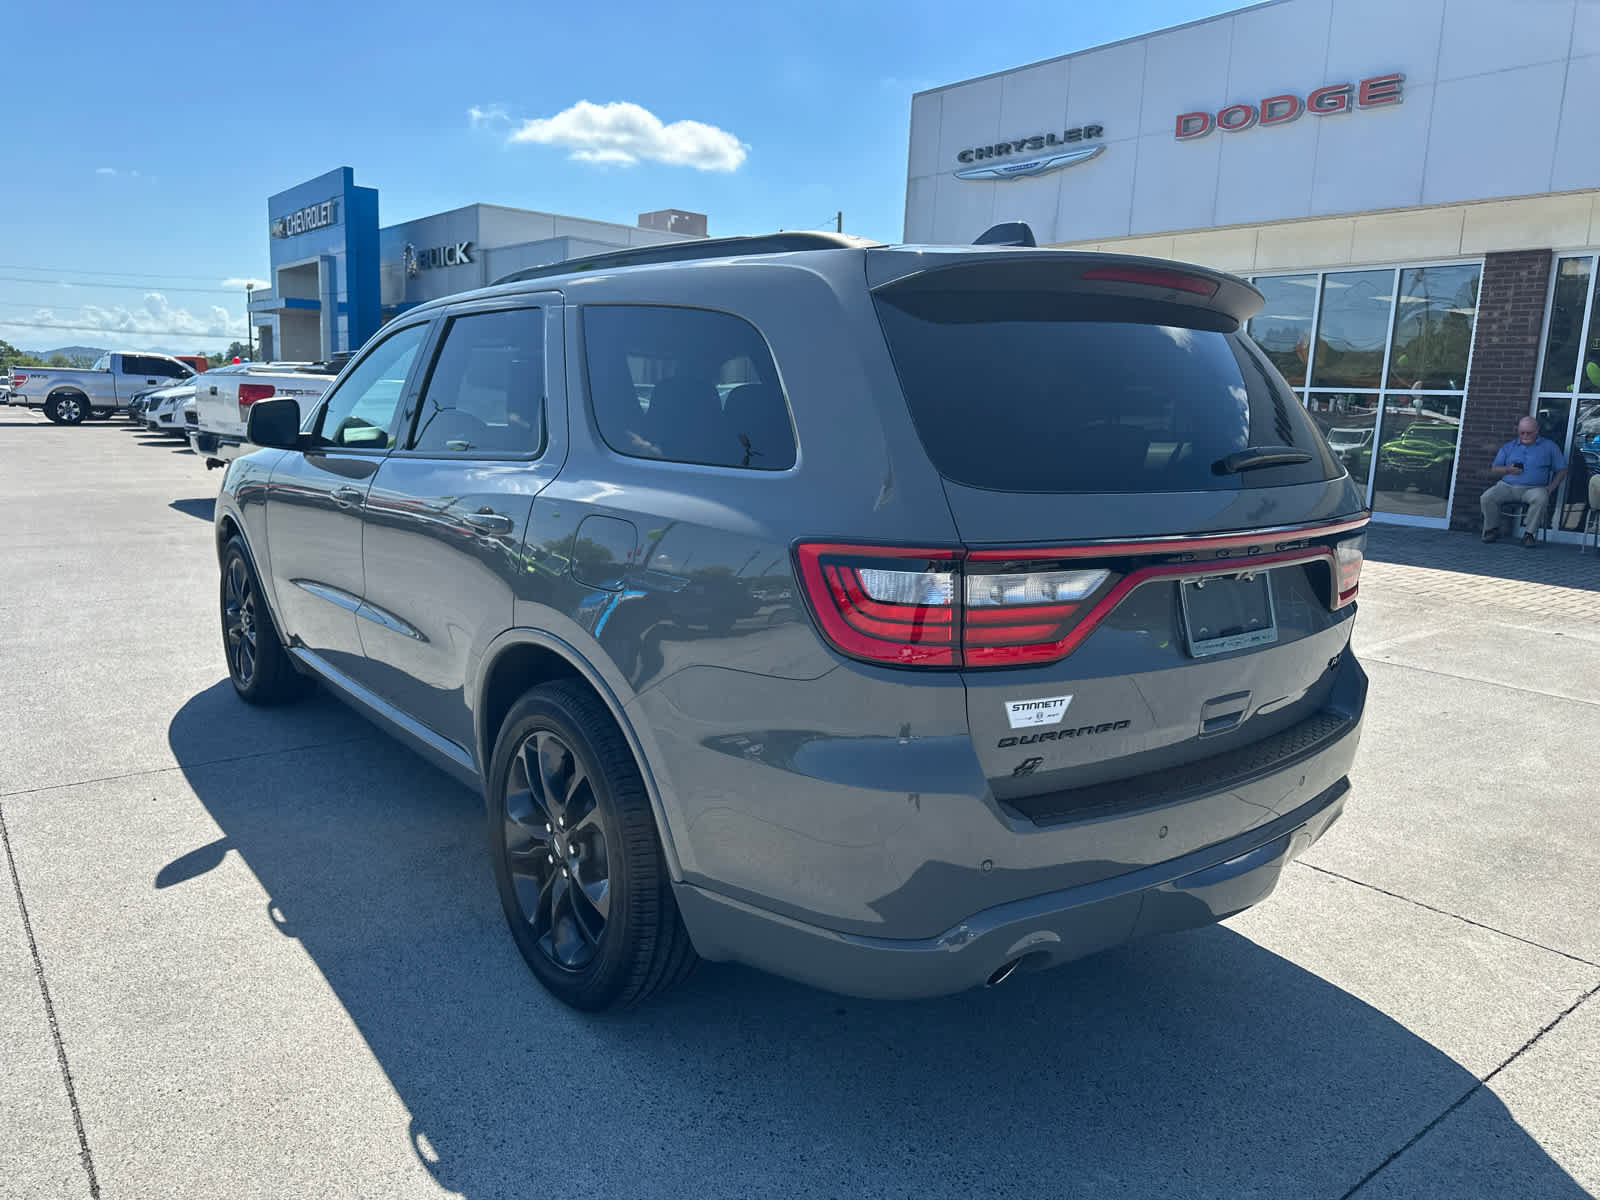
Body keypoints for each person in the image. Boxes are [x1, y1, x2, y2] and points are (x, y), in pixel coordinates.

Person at [1480, 416, 1566, 546]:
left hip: (1534, 488)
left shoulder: (1549, 447)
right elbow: (1495, 468)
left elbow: (1562, 469)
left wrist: (1550, 488)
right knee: (1487, 497)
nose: (1525, 435)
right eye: (1522, 432)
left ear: (1537, 431)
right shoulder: (1509, 447)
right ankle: (1492, 530)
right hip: (1507, 486)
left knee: (1542, 497)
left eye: (1529, 433)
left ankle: (1529, 534)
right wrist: (1508, 470)